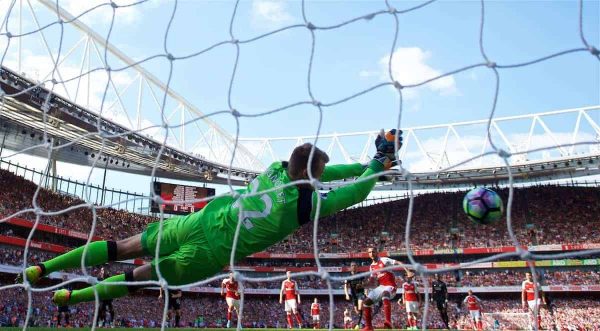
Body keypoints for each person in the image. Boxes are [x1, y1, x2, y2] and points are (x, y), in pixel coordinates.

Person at [19, 129, 402, 306]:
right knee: (139, 277)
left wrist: (373, 161)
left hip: (200, 220)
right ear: (311, 176)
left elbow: (328, 173)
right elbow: (352, 190)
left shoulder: (274, 168)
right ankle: (72, 297)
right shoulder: (305, 207)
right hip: (212, 250)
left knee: (123, 246)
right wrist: (375, 166)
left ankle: (42, 269)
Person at [362, 246, 405, 331]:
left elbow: (399, 262)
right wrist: (363, 285)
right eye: (370, 252)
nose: (371, 254)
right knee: (366, 302)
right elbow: (372, 282)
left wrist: (408, 271)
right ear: (368, 254)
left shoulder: (384, 260)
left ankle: (388, 322)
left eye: (373, 251)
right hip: (381, 287)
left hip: (391, 286)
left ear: (377, 252)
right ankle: (369, 327)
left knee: (385, 293)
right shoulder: (372, 267)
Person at [344, 261, 368, 329]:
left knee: (360, 307)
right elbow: (345, 286)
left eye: (355, 265)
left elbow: (365, 284)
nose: (353, 267)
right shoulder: (348, 276)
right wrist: (346, 294)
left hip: (360, 293)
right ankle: (362, 322)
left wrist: (364, 289)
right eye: (352, 265)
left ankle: (358, 325)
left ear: (357, 267)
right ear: (350, 267)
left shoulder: (361, 275)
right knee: (357, 311)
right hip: (353, 295)